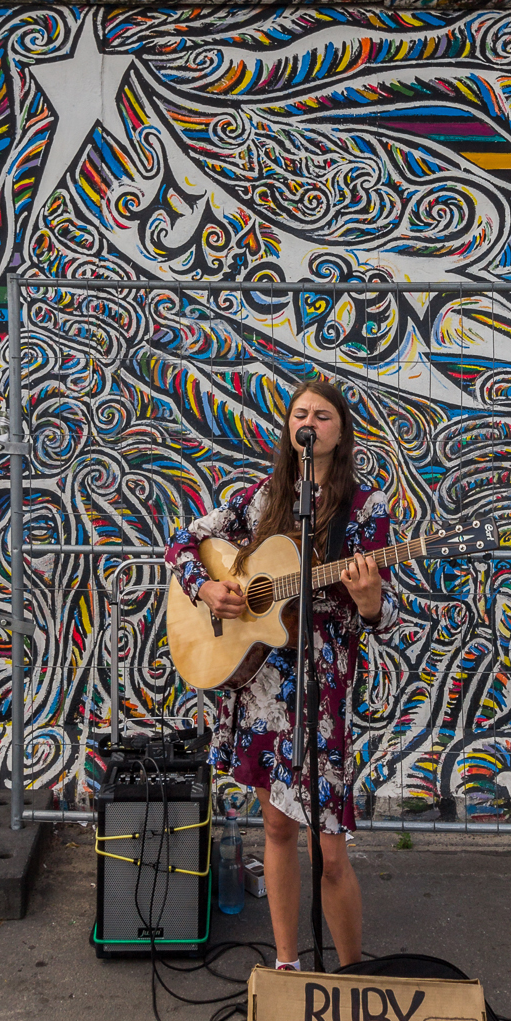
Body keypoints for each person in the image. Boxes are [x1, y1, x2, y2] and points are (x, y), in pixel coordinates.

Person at [165, 378, 397, 968]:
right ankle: (287, 965)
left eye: (322, 415)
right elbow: (182, 542)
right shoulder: (260, 498)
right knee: (275, 829)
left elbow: (383, 613)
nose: (309, 423)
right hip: (263, 688)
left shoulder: (365, 509)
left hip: (319, 693)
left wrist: (371, 603)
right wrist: (207, 587)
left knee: (330, 852)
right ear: (289, 429)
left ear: (341, 432)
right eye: (300, 414)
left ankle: (352, 974)